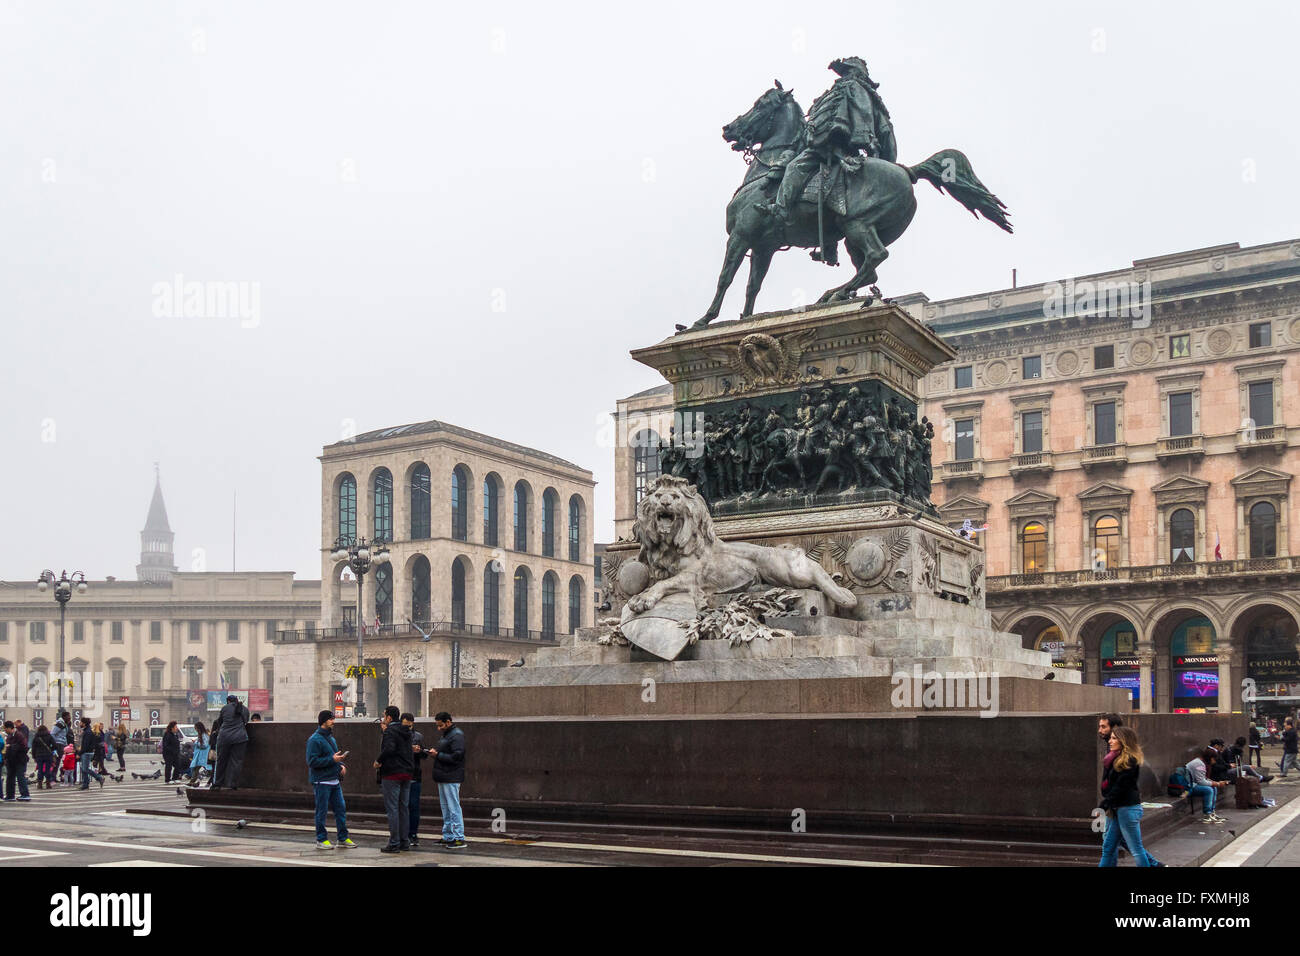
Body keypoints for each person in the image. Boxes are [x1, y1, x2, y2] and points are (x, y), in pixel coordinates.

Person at [1098, 726, 1160, 867]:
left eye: (1114, 738)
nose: (1110, 741)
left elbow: (1122, 786)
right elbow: (1109, 784)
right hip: (1117, 808)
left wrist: (1105, 803)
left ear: (1124, 741)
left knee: (1136, 849)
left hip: (1127, 809)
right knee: (1108, 848)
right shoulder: (1113, 759)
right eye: (1111, 738)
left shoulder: (1129, 760)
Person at [307, 710, 357, 849]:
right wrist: (332, 759)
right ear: (323, 721)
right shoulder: (314, 739)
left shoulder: (331, 738)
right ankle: (321, 839)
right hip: (321, 781)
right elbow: (312, 761)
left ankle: (342, 838)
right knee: (321, 811)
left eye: (333, 719)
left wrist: (341, 764)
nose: (333, 721)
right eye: (330, 719)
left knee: (340, 809)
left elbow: (335, 757)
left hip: (334, 780)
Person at [374, 705, 414, 853]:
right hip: (407, 773)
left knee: (392, 809)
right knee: (403, 808)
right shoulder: (407, 731)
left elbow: (389, 749)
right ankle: (404, 841)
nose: (384, 718)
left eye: (384, 715)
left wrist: (378, 761)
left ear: (389, 717)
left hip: (392, 773)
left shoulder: (390, 730)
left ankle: (394, 843)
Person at [430, 711, 467, 849]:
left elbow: (457, 756)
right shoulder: (448, 734)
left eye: (440, 725)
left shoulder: (456, 735)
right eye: (437, 726)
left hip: (451, 776)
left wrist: (438, 755)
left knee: (453, 807)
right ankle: (448, 836)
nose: (438, 728)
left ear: (448, 722)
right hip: (444, 776)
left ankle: (458, 837)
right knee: (446, 808)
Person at [211, 694, 250, 790]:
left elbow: (219, 722)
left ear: (228, 701)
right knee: (237, 762)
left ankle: (218, 783)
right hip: (240, 738)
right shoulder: (245, 709)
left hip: (224, 738)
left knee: (221, 760)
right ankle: (233, 784)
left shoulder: (225, 708)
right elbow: (246, 722)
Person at [1186, 747, 1227, 823]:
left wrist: (1214, 783)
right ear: (1210, 758)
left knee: (1213, 788)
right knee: (1208, 790)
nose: (1214, 762)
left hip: (1192, 784)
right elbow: (1201, 782)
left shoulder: (1201, 762)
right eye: (1214, 759)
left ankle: (1211, 812)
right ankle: (1207, 814)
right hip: (1187, 788)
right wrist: (1217, 783)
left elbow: (1202, 778)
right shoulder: (1199, 764)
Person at [408, 714, 428, 847]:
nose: (408, 727)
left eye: (409, 725)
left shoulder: (418, 736)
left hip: (415, 775)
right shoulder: (397, 736)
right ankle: (403, 833)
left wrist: (420, 751)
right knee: (402, 806)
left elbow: (424, 755)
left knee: (414, 806)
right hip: (401, 775)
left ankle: (413, 833)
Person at [3, 720, 30, 801]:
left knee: (20, 777)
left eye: (5, 728)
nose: (4, 730)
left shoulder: (19, 735)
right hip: (11, 760)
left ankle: (25, 794)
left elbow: (24, 747)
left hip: (19, 759)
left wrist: (10, 746)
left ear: (9, 728)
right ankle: (10, 795)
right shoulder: (10, 736)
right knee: (10, 778)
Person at [78, 718, 105, 790]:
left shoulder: (88, 732)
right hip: (87, 752)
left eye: (81, 722)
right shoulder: (88, 731)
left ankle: (99, 778)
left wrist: (80, 753)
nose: (80, 723)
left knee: (85, 769)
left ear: (84, 723)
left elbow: (85, 745)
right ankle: (85, 784)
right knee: (84, 769)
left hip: (86, 752)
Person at [32, 724, 56, 790]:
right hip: (48, 755)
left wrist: (34, 756)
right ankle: (48, 783)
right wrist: (51, 749)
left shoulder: (36, 737)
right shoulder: (49, 736)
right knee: (48, 769)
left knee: (40, 770)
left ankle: (40, 784)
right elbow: (55, 745)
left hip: (39, 755)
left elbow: (33, 748)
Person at [186, 722, 211, 786]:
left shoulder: (204, 735)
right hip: (201, 755)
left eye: (196, 728)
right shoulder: (202, 734)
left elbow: (205, 745)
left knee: (208, 769)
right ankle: (192, 781)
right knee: (196, 768)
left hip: (203, 755)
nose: (196, 730)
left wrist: (196, 743)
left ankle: (214, 780)